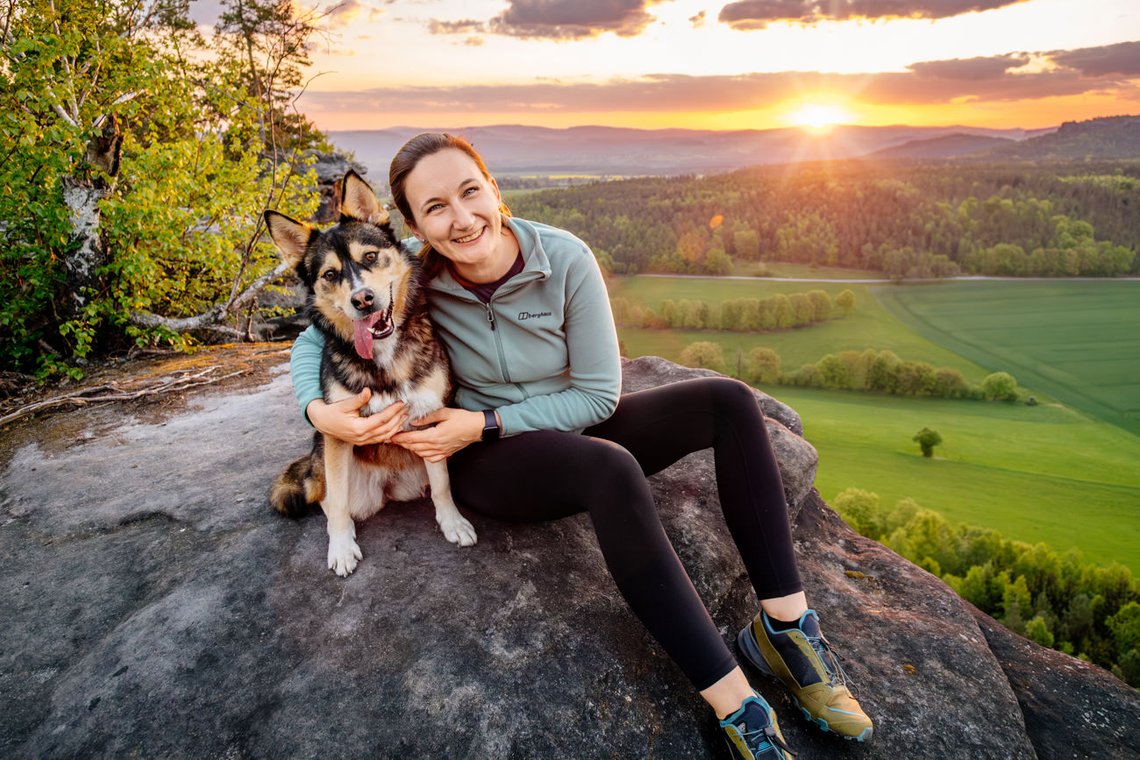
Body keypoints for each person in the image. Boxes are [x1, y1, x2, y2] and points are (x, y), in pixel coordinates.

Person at [289, 132, 874, 757]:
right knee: (610, 469)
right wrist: (321, 410)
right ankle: (737, 704)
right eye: (435, 208)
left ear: (493, 188)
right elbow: (315, 338)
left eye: (469, 191)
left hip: (541, 424)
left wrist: (487, 421)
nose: (460, 219)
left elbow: (599, 398)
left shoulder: (562, 257)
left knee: (728, 401)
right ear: (413, 227)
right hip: (487, 457)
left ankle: (785, 632)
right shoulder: (404, 273)